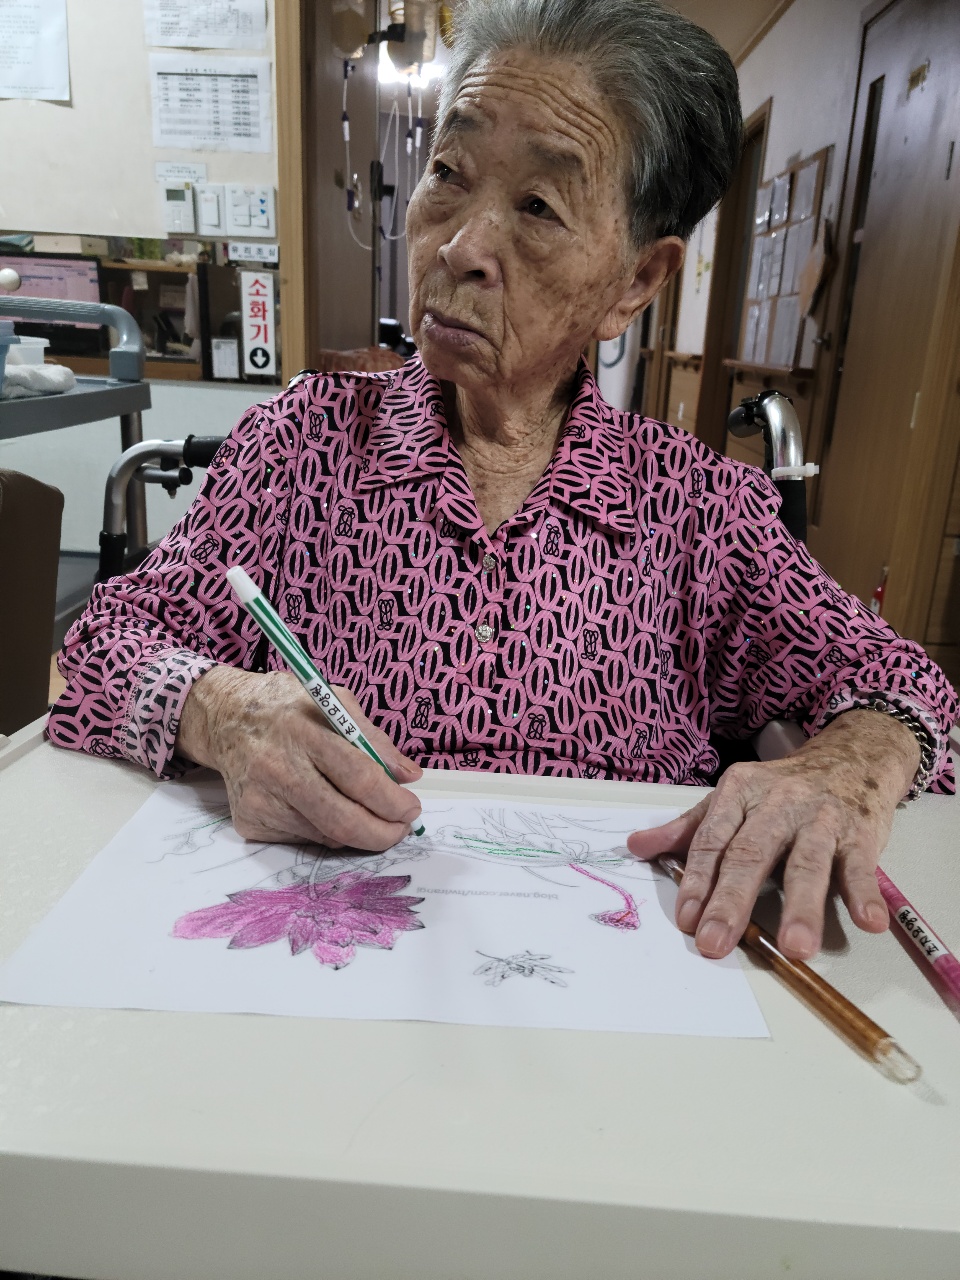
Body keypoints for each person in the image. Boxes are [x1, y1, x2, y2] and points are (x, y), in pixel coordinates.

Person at [49, 0, 957, 967]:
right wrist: (222, 710)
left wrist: (842, 769)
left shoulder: (697, 510)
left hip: (621, 989)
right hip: (333, 979)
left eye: (537, 208)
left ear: (636, 282)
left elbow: (905, 687)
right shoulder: (304, 446)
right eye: (448, 172)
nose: (458, 247)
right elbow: (98, 651)